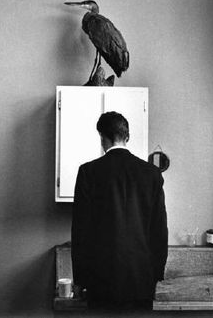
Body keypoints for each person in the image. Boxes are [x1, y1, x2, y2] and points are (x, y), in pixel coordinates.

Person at [71, 111, 168, 309]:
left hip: (100, 281)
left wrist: (80, 279)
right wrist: (156, 275)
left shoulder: (88, 172)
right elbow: (159, 231)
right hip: (141, 280)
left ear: (102, 138)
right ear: (128, 137)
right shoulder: (152, 174)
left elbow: (81, 231)